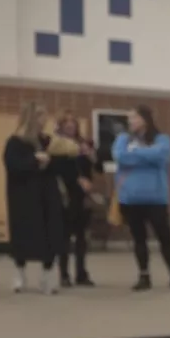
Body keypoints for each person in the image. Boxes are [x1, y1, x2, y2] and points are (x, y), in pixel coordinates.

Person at [112, 105, 170, 292]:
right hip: (130, 198)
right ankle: (144, 276)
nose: (130, 122)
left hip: (156, 198)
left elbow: (162, 156)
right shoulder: (123, 139)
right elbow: (119, 156)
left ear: (144, 119)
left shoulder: (162, 139)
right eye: (129, 119)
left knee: (165, 238)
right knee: (139, 239)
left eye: (133, 118)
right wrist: (146, 155)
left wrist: (134, 154)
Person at [3, 101, 64, 295]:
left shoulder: (48, 141)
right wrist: (34, 160)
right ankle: (20, 274)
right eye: (40, 116)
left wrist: (50, 161)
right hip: (24, 196)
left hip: (47, 194)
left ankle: (47, 277)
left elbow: (60, 164)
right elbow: (13, 166)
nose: (44, 120)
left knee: (50, 234)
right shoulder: (15, 142)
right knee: (23, 234)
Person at [49, 112, 97, 288]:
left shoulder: (84, 143)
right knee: (65, 236)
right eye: (66, 123)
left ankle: (82, 273)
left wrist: (91, 156)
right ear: (61, 126)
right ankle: (64, 274)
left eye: (73, 123)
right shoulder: (57, 144)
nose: (70, 126)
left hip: (83, 195)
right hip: (66, 193)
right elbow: (58, 167)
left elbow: (94, 167)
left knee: (82, 236)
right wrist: (77, 179)